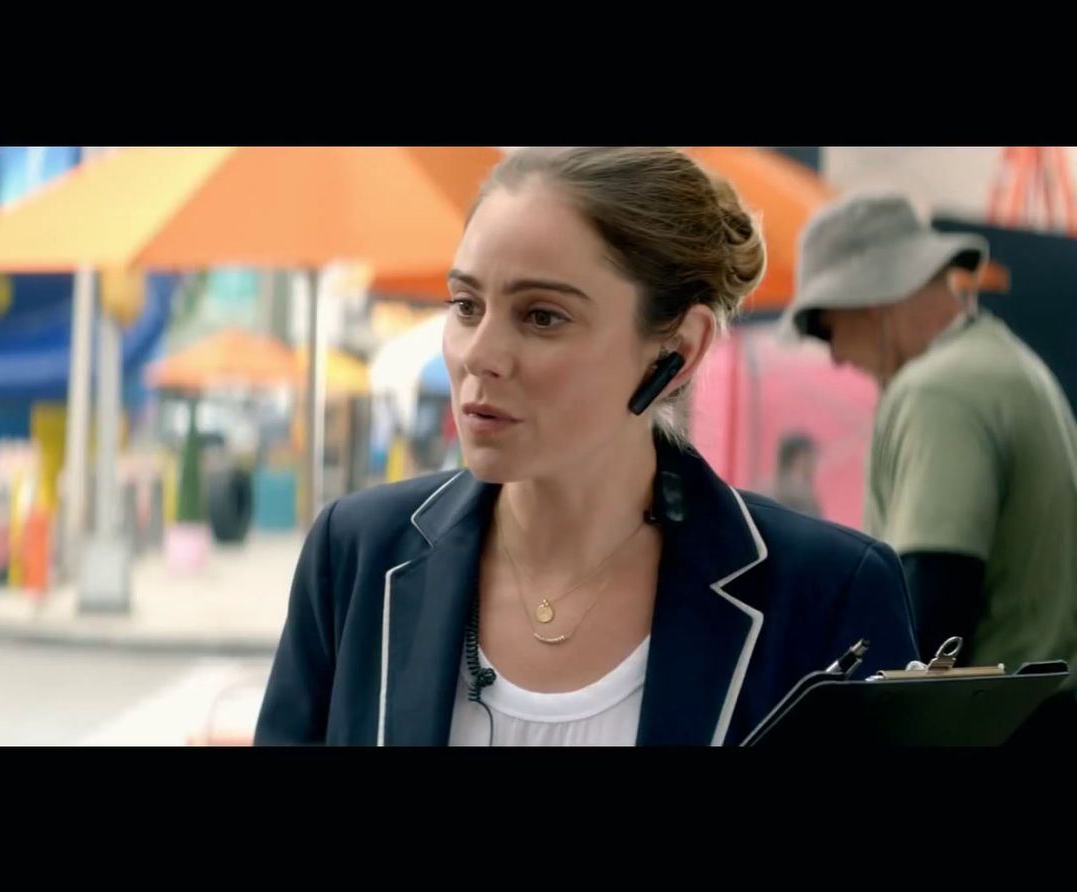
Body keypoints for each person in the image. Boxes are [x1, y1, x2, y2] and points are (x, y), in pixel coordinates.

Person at [255, 147, 919, 747]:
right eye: (465, 305)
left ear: (677, 353)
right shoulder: (356, 556)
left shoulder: (828, 596)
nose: (480, 355)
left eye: (543, 316)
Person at [783, 191, 1077, 743]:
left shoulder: (939, 390)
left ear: (870, 299)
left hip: (995, 728)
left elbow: (930, 607)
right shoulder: (1007, 363)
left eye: (824, 327)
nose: (835, 356)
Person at [770, 432, 822, 518]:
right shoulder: (803, 498)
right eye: (811, 457)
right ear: (800, 458)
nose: (814, 464)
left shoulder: (763, 491)